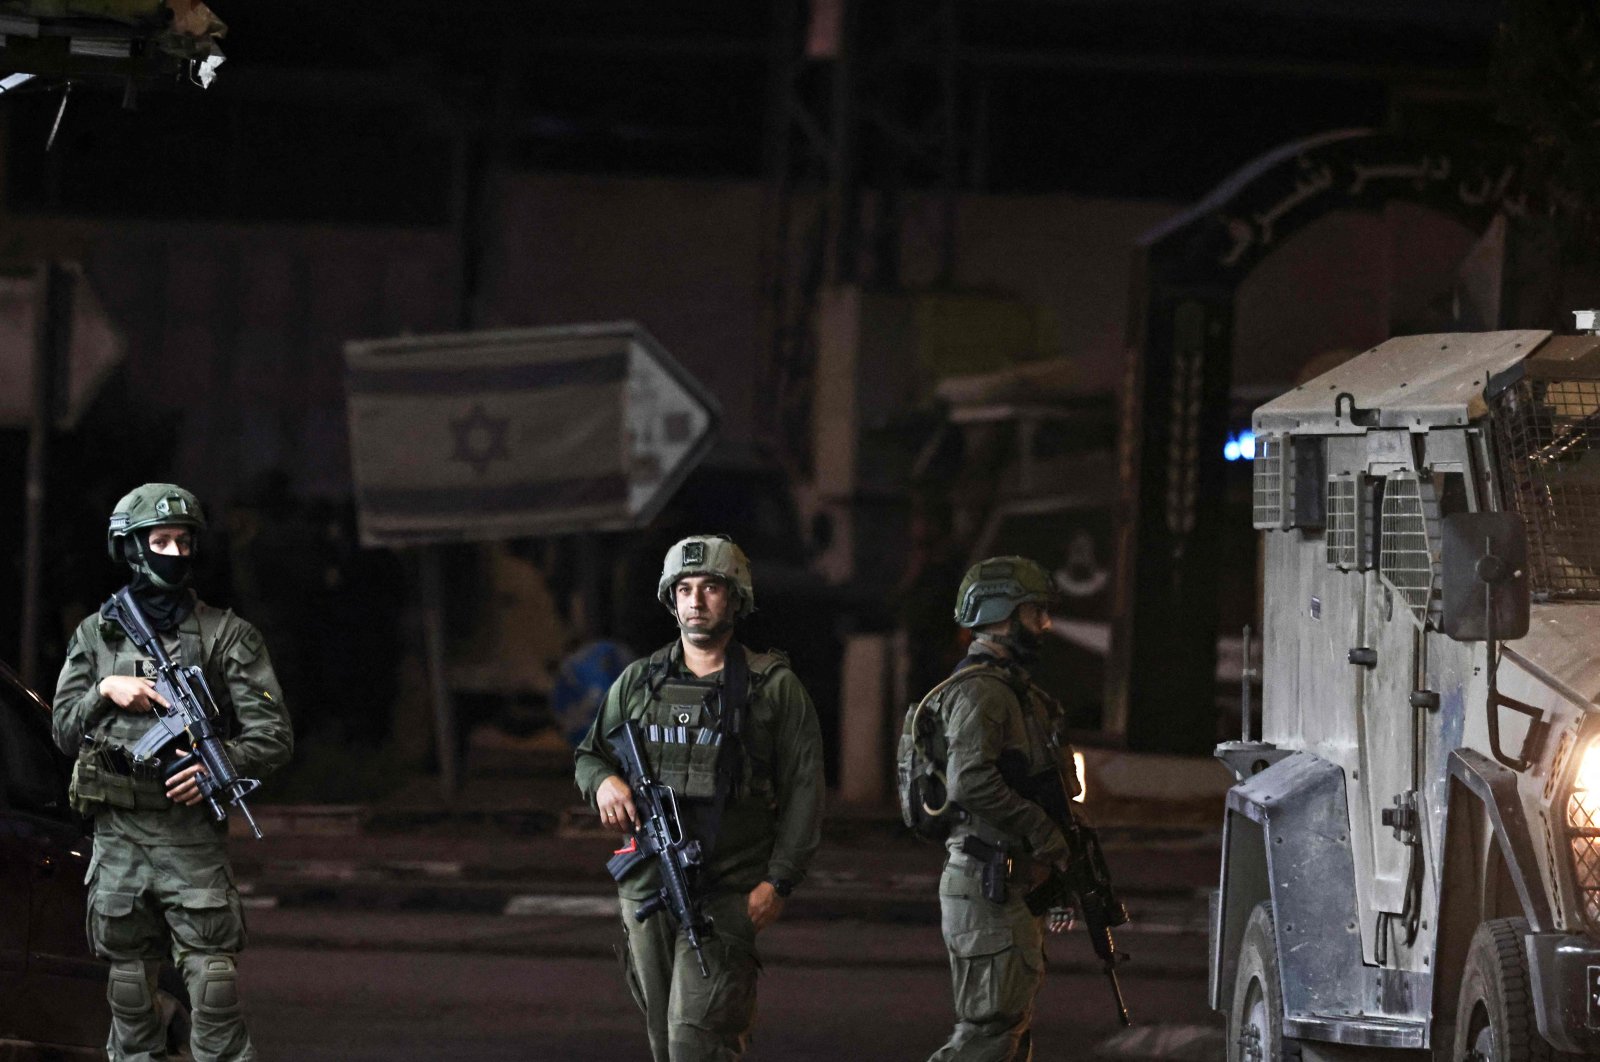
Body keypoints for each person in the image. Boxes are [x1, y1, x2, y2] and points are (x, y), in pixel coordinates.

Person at [52, 483, 293, 1062]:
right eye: (160, 540)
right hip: (118, 834)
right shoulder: (96, 635)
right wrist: (106, 692)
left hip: (189, 836)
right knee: (130, 988)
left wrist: (219, 768)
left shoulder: (226, 634)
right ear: (132, 549)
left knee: (213, 984)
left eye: (184, 541)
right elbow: (62, 730)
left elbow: (273, 734)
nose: (175, 552)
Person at [574, 534, 824, 1061]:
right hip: (646, 893)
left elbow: (805, 793)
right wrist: (603, 782)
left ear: (735, 598)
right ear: (671, 600)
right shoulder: (639, 682)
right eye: (684, 588)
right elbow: (590, 754)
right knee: (666, 1047)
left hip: (726, 893)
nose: (696, 599)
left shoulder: (773, 689)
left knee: (699, 1046)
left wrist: (778, 882)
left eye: (711, 587)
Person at [925, 556, 1079, 1062]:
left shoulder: (1014, 691)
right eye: (1036, 613)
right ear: (1001, 613)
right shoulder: (982, 692)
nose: (1046, 624)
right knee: (988, 1035)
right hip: (988, 883)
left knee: (1008, 1034)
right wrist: (1045, 833)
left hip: (1009, 885)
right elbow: (970, 782)